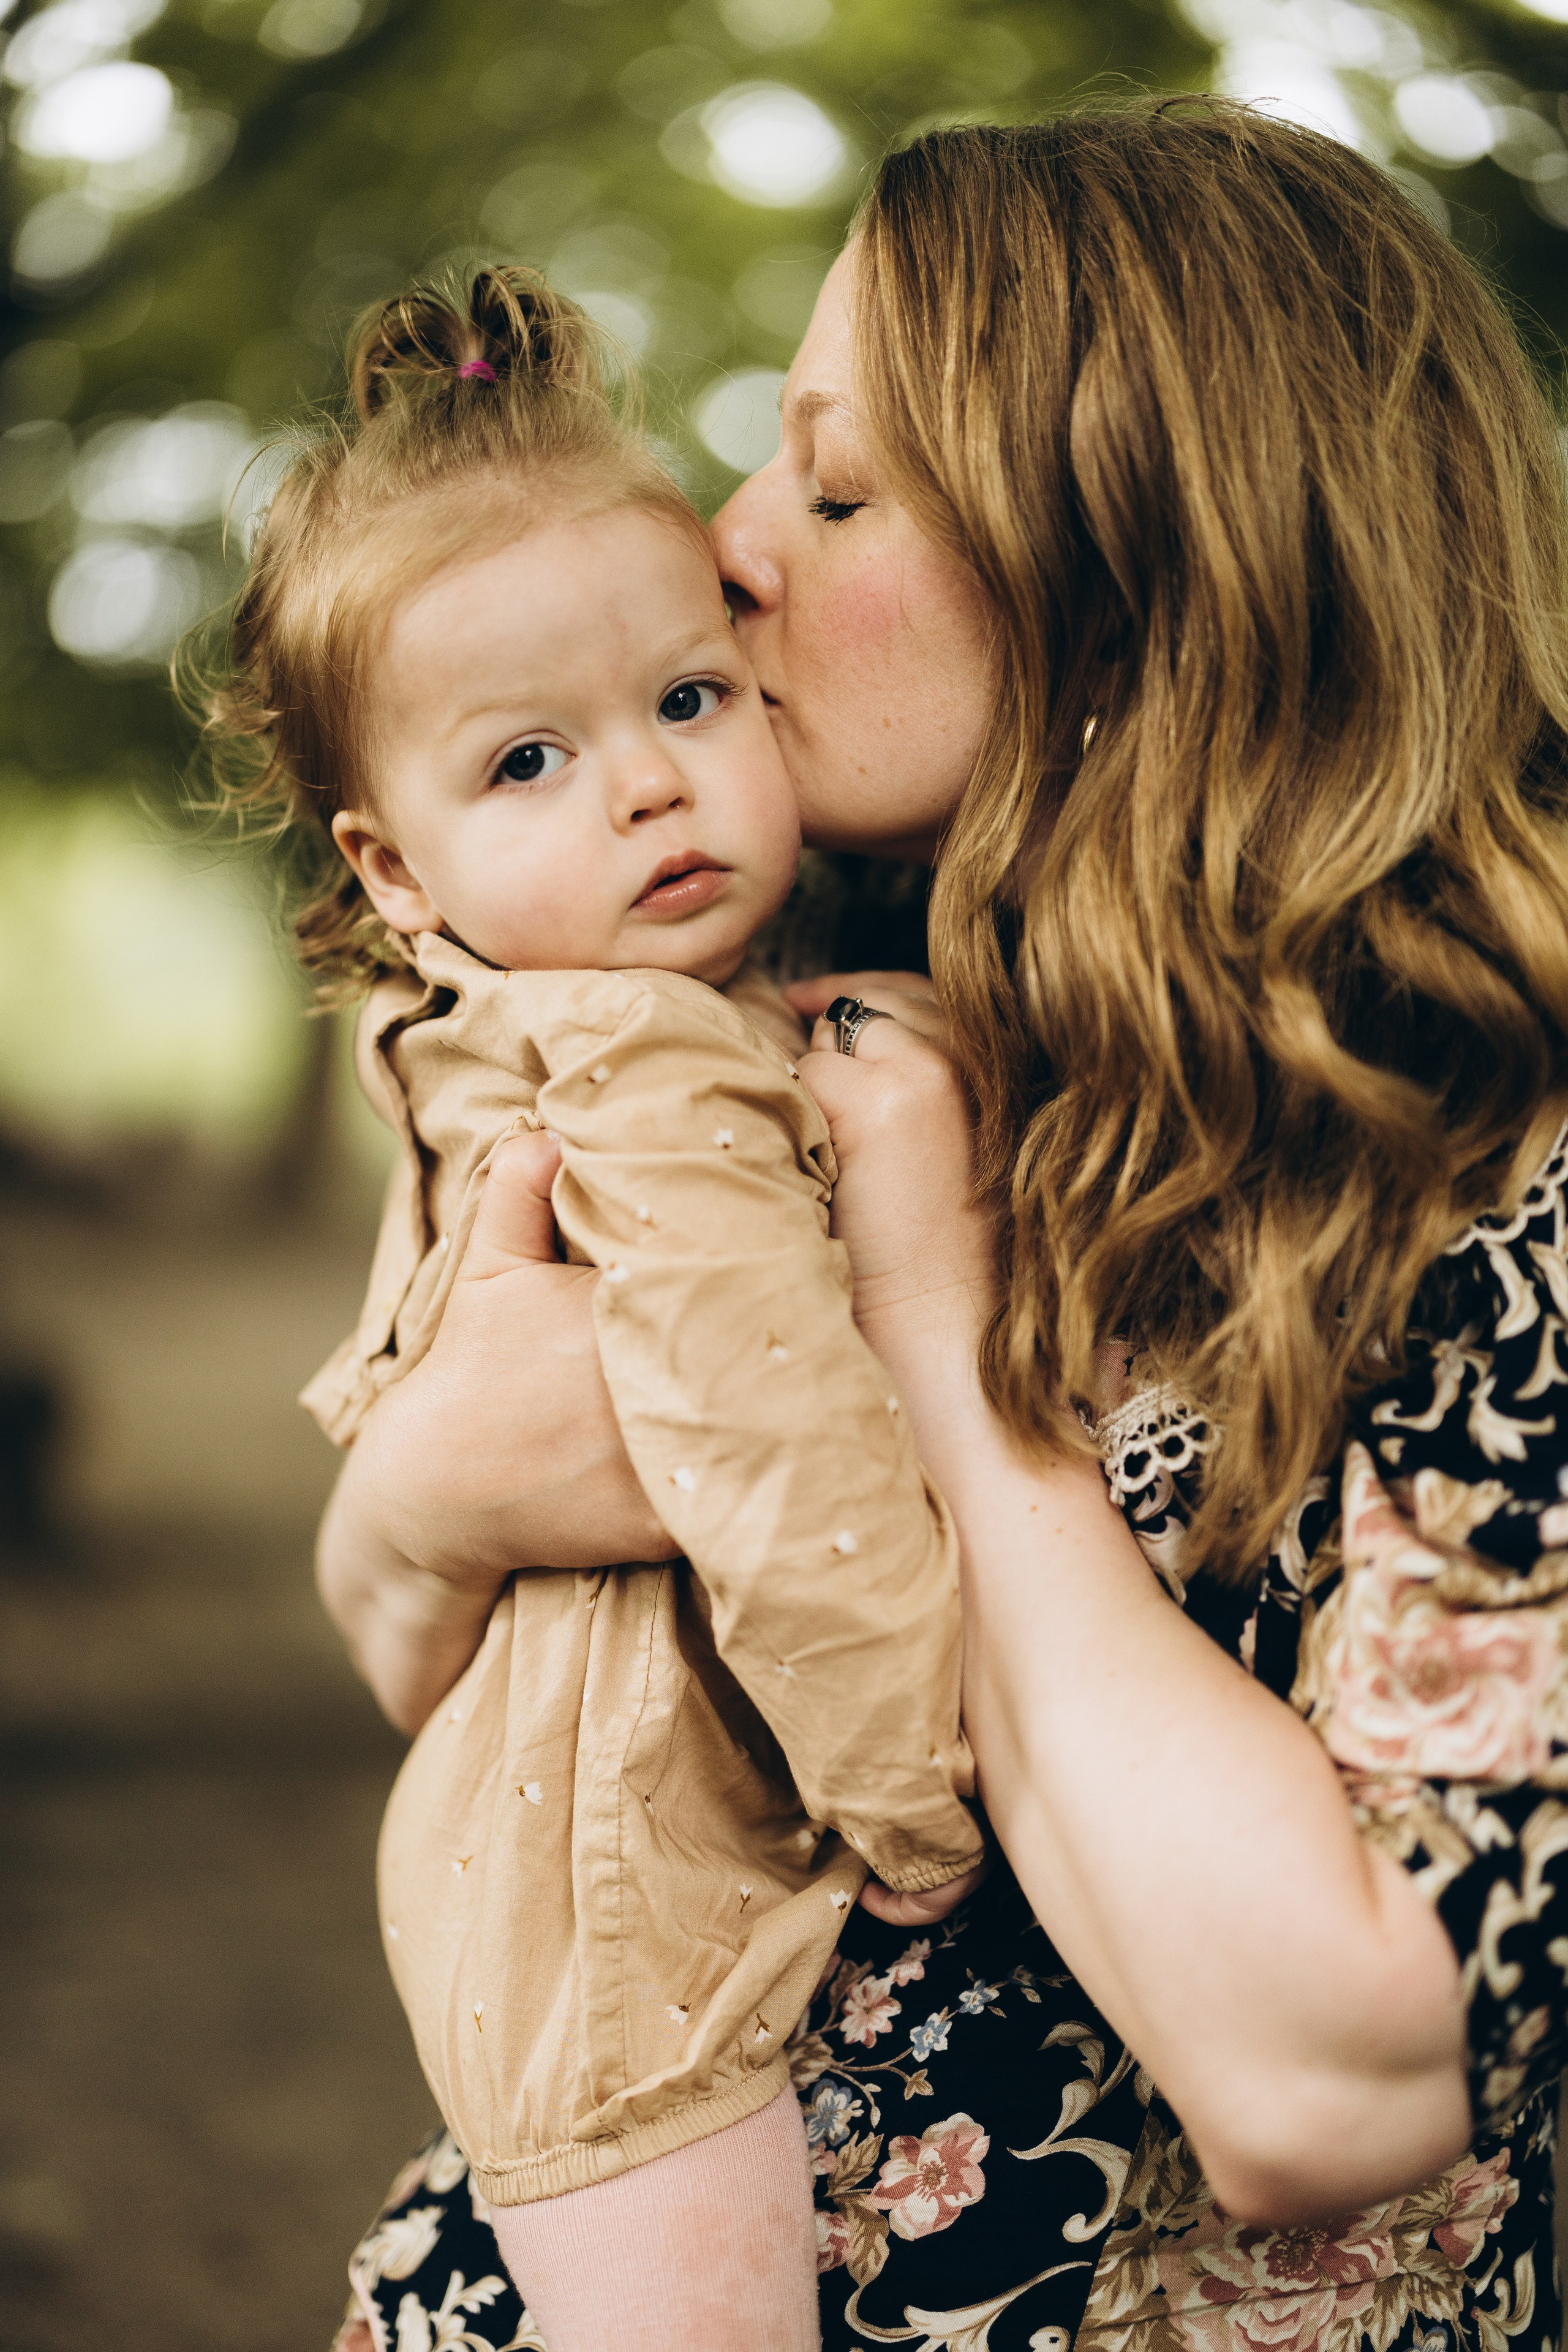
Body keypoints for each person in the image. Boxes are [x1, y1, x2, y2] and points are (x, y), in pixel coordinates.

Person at [325, 100, 1568, 2352]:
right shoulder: (764, 987)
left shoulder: (1503, 1171)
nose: (731, 541)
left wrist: (924, 1311)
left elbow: (1334, 2061)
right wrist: (418, 1494)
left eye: (838, 481)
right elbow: (431, 1655)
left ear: (1135, 582)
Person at [203, 265, 990, 2348]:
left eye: (690, 701)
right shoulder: (647, 1075)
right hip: (619, 1914)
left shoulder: (501, 1026)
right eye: (532, 758)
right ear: (393, 869)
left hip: (570, 1862)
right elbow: (772, 1439)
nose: (645, 788)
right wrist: (913, 1790)